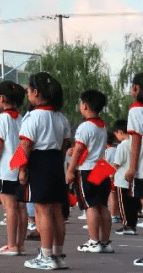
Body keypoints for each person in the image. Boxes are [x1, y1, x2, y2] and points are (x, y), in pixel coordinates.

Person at [17, 71, 72, 270]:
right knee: (57, 211)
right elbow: (66, 143)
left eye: (28, 90)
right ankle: (57, 255)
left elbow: (25, 146)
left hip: (40, 162)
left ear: (36, 92)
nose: (27, 94)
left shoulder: (32, 117)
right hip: (57, 161)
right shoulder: (61, 117)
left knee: (43, 211)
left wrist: (22, 171)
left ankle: (46, 255)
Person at [66, 89, 113, 253]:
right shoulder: (102, 126)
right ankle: (105, 242)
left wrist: (70, 170)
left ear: (85, 105)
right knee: (102, 206)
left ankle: (93, 242)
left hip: (87, 169)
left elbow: (79, 149)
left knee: (91, 206)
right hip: (101, 168)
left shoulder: (85, 126)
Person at [0, 80, 27, 256]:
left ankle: (11, 245)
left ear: (2, 98)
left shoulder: (1, 119)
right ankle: (19, 245)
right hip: (21, 167)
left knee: (10, 207)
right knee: (21, 207)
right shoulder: (22, 118)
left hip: (6, 168)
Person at [111, 120, 136, 235]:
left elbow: (117, 163)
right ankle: (132, 226)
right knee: (132, 205)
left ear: (120, 132)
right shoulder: (135, 144)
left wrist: (110, 174)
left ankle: (126, 225)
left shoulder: (123, 145)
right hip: (133, 180)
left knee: (123, 205)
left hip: (121, 180)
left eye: (116, 134)